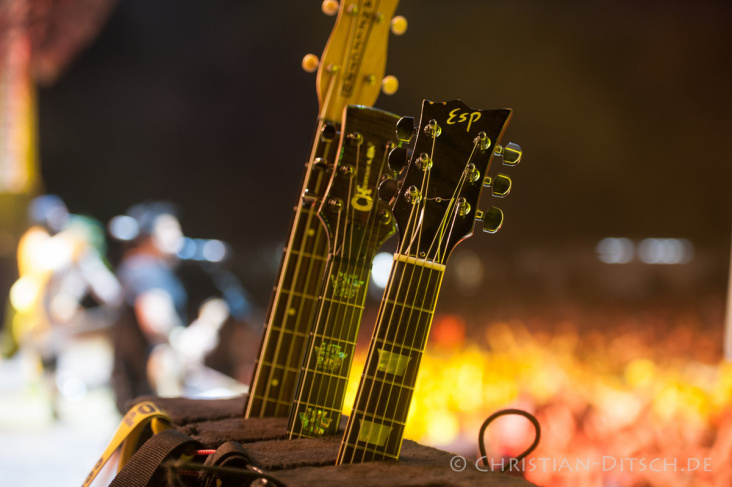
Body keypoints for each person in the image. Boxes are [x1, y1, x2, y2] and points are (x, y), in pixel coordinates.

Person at [111, 202, 188, 411]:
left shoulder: (141, 267)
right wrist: (189, 343)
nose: (178, 235)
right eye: (169, 229)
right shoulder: (145, 269)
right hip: (148, 394)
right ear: (148, 236)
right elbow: (156, 322)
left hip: (140, 393)